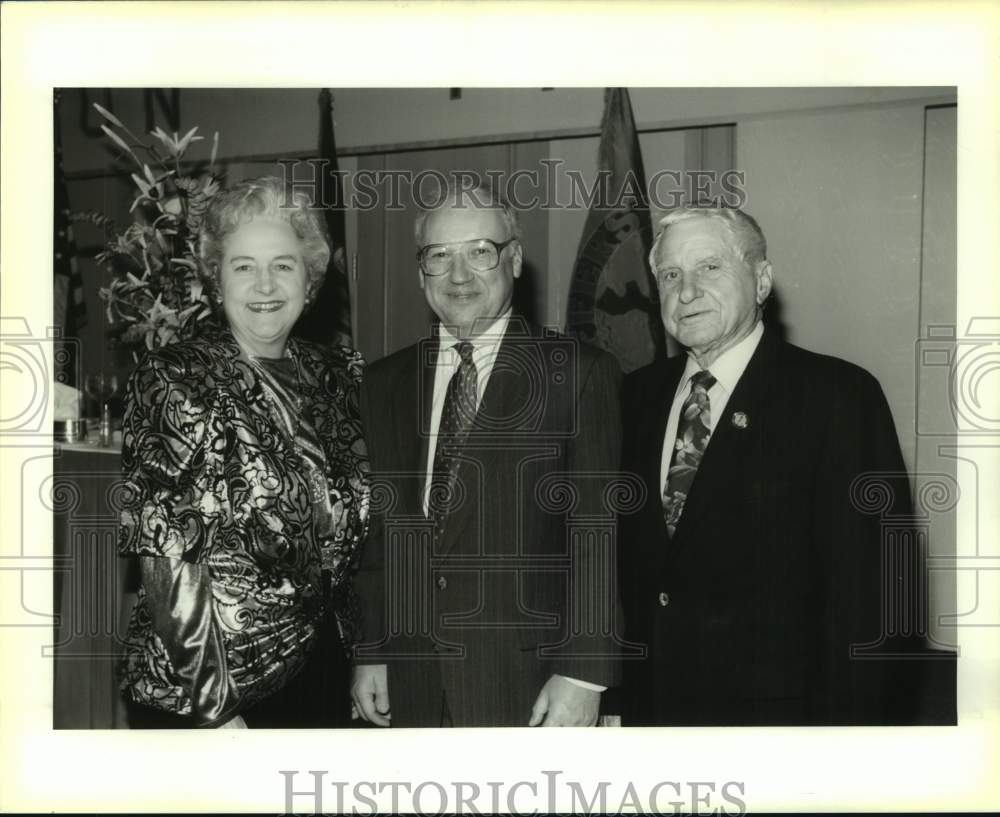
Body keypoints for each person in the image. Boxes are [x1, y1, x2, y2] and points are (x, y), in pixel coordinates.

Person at [617, 205, 929, 725]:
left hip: (784, 728)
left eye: (710, 267)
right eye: (670, 275)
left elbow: (875, 599)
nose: (686, 291)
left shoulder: (838, 397)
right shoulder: (635, 397)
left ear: (762, 281)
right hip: (653, 719)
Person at [351, 183, 623, 727]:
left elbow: (598, 532)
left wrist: (583, 675)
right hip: (410, 682)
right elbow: (381, 533)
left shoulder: (578, 372)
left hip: (529, 682)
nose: (458, 276)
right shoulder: (384, 382)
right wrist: (372, 650)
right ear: (419, 271)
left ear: (515, 259)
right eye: (439, 256)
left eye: (479, 252)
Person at [118, 177, 369, 728]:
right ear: (215, 280)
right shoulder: (174, 378)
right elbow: (166, 554)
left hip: (325, 667)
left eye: (283, 264)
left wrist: (366, 657)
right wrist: (216, 709)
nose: (265, 284)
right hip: (211, 684)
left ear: (310, 280)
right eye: (243, 266)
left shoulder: (341, 377)